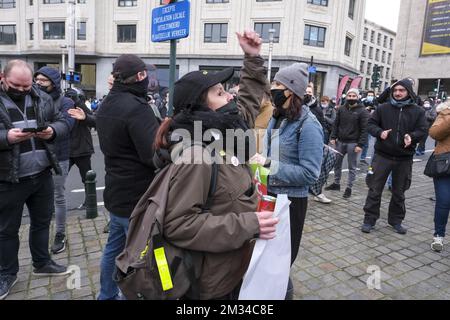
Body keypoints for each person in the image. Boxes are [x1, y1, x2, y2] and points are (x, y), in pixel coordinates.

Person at [152, 30, 278, 300]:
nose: (230, 96)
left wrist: (253, 58)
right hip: (212, 282)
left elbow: (248, 102)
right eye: (220, 93)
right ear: (202, 108)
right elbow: (178, 225)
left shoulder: (222, 129)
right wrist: (249, 224)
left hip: (234, 266)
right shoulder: (196, 156)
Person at [0, 60, 71, 300]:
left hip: (41, 174)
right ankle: (7, 274)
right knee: (7, 230)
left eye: (26, 85)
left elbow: (62, 121)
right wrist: (6, 138)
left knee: (42, 222)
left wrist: (52, 131)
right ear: (3, 77)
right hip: (9, 179)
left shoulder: (42, 97)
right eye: (15, 85)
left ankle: (42, 262)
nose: (21, 90)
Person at [252, 63, 324, 299]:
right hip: (269, 195)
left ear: (291, 90)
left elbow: (310, 174)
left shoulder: (309, 125)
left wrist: (268, 166)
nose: (272, 88)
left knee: (282, 261)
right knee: (266, 257)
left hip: (291, 201)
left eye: (277, 85)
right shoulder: (278, 116)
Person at [96, 54, 160, 300]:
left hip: (116, 193)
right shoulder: (136, 107)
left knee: (113, 250)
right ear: (141, 76)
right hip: (138, 198)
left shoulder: (108, 103)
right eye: (146, 74)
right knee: (138, 257)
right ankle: (129, 295)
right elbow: (152, 155)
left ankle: (106, 295)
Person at [362, 79, 428, 234]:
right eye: (395, 90)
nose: (398, 93)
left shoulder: (418, 111)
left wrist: (412, 137)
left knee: (399, 192)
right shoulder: (383, 108)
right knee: (374, 190)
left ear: (408, 92)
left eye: (402, 90)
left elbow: (423, 130)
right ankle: (369, 220)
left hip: (404, 158)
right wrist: (380, 133)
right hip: (382, 156)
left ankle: (396, 221)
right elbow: (370, 125)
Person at [34, 67, 76, 254]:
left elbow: (67, 124)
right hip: (35, 155)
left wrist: (50, 130)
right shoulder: (31, 99)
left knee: (58, 196)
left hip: (58, 156)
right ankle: (38, 235)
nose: (39, 83)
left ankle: (60, 234)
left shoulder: (65, 101)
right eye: (37, 80)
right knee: (37, 199)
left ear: (53, 82)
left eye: (43, 80)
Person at [326, 88, 369, 199]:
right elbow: (336, 124)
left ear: (358, 97)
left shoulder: (363, 111)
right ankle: (336, 183)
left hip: (353, 143)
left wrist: (360, 145)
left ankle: (349, 188)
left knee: (352, 167)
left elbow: (365, 129)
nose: (351, 98)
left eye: (353, 96)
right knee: (337, 163)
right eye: (349, 96)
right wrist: (333, 136)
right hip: (340, 141)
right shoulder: (341, 109)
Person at [65, 88, 96, 212]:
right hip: (67, 149)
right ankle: (53, 205)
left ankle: (89, 203)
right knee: (59, 178)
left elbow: (91, 118)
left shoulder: (81, 105)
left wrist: (77, 101)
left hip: (82, 149)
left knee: (87, 178)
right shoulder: (62, 105)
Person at [429, 101, 450, 252]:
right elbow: (434, 133)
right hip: (445, 164)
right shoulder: (445, 112)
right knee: (444, 201)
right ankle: (439, 235)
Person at [360, 90, 378, 165]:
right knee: (363, 142)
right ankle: (360, 157)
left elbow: (378, 112)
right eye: (369, 95)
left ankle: (362, 158)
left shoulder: (376, 103)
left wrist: (374, 109)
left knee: (367, 143)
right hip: (363, 125)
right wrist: (365, 109)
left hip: (371, 125)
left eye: (371, 95)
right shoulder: (362, 102)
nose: (370, 96)